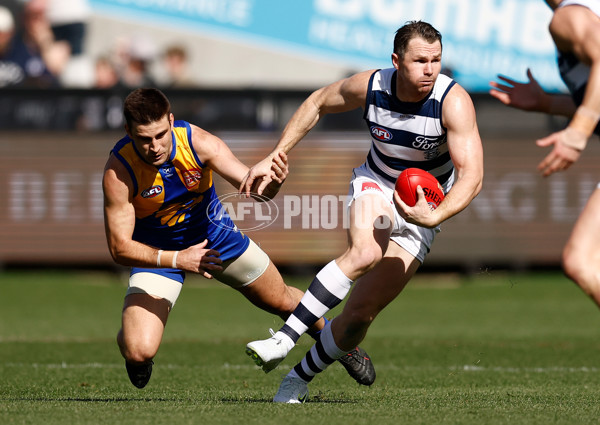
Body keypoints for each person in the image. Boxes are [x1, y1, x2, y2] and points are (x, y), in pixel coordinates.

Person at [241, 21, 484, 403]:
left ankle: (296, 380)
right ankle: (283, 339)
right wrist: (277, 152)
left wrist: (435, 216)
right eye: (420, 60)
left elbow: (473, 175)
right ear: (396, 60)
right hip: (377, 182)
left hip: (425, 208)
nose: (430, 69)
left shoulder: (452, 100)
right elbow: (318, 101)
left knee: (358, 317)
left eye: (436, 60)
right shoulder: (371, 86)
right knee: (366, 253)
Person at [102, 88, 375, 389]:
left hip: (216, 238)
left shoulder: (199, 143)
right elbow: (119, 248)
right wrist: (179, 259)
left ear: (171, 120)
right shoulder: (119, 171)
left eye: (160, 135)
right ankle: (130, 341)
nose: (155, 146)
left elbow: (253, 188)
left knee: (282, 299)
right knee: (139, 351)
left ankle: (341, 345)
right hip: (157, 252)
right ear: (128, 131)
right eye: (144, 138)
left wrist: (271, 186)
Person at [489, 1, 600, 306]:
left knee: (582, 260)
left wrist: (578, 132)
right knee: (580, 261)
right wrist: (548, 103)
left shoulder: (570, 14)